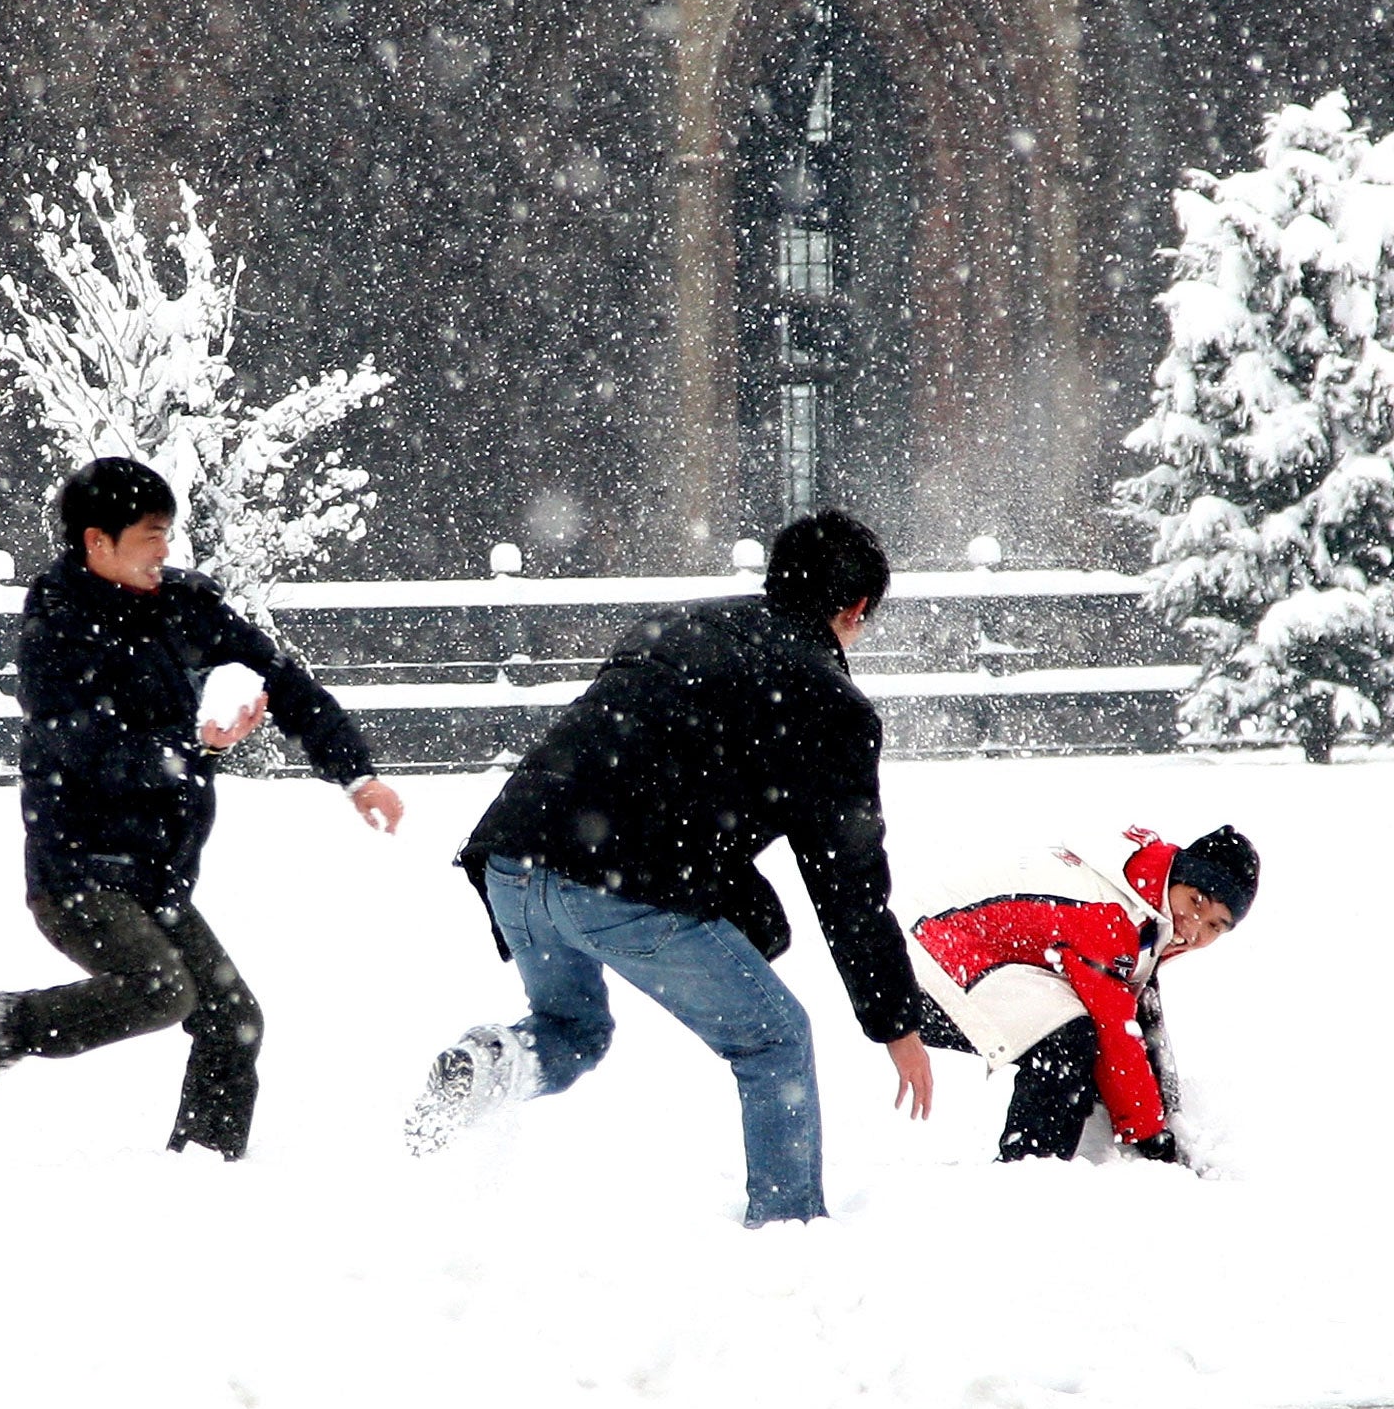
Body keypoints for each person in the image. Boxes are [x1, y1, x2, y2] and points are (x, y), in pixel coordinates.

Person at [408, 508, 933, 1226]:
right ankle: (789, 1235)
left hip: (513, 853)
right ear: (856, 609)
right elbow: (849, 885)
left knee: (570, 1027)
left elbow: (648, 766)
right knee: (775, 1037)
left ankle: (489, 1064)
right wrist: (896, 1021)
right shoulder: (828, 703)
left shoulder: (680, 623)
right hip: (615, 881)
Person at [0, 456, 406, 1159]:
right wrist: (195, 745)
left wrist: (356, 775)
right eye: (151, 535)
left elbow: (286, 682)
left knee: (234, 1020)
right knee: (160, 989)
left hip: (157, 876)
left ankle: (202, 1171)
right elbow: (84, 750)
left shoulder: (184, 606)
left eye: (169, 532)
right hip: (78, 874)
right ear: (97, 541)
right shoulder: (57, 631)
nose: (167, 550)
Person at [905, 824, 1255, 1164]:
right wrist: (1150, 1135)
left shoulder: (1143, 890)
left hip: (955, 946)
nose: (1194, 926)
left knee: (1080, 1028)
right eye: (1196, 900)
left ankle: (1066, 1150)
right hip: (920, 962)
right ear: (1177, 878)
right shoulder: (1113, 917)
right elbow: (1115, 1028)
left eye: (1214, 926)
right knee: (1067, 1038)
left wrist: (1163, 1111)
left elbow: (1135, 1011)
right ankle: (1030, 1175)